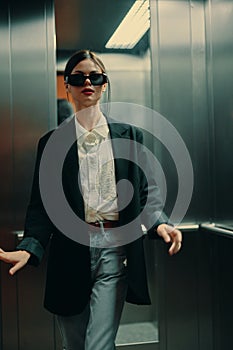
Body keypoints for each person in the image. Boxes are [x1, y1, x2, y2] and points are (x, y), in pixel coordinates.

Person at [0, 50, 182, 350]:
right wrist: (29, 249)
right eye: (78, 77)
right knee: (74, 344)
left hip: (115, 249)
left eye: (95, 76)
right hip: (70, 250)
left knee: (98, 345)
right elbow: (41, 206)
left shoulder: (130, 136)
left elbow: (146, 192)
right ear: (68, 87)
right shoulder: (51, 143)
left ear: (104, 84)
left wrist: (160, 224)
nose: (87, 81)